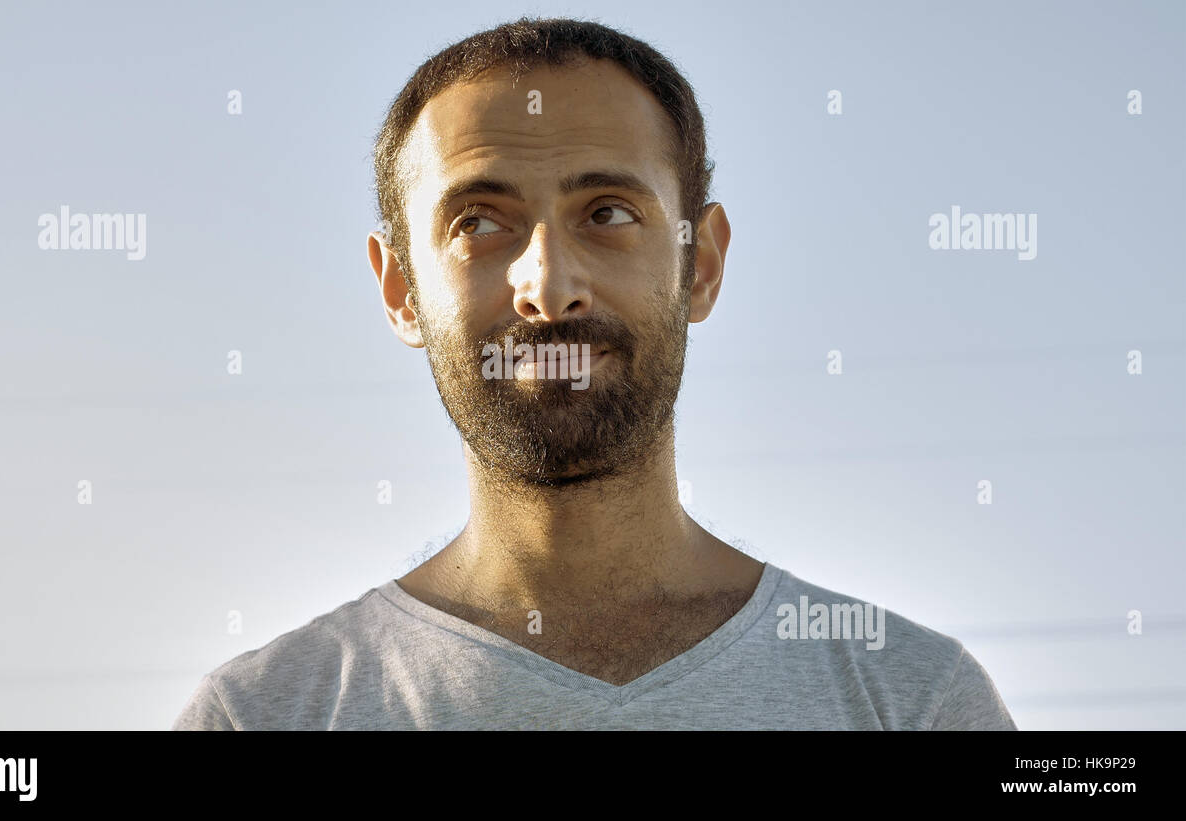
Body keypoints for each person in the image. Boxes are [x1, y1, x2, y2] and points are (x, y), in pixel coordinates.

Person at [173, 16, 1016, 730]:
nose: (549, 286)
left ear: (703, 263)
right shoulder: (264, 715)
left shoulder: (910, 701)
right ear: (400, 288)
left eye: (607, 213)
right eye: (479, 222)